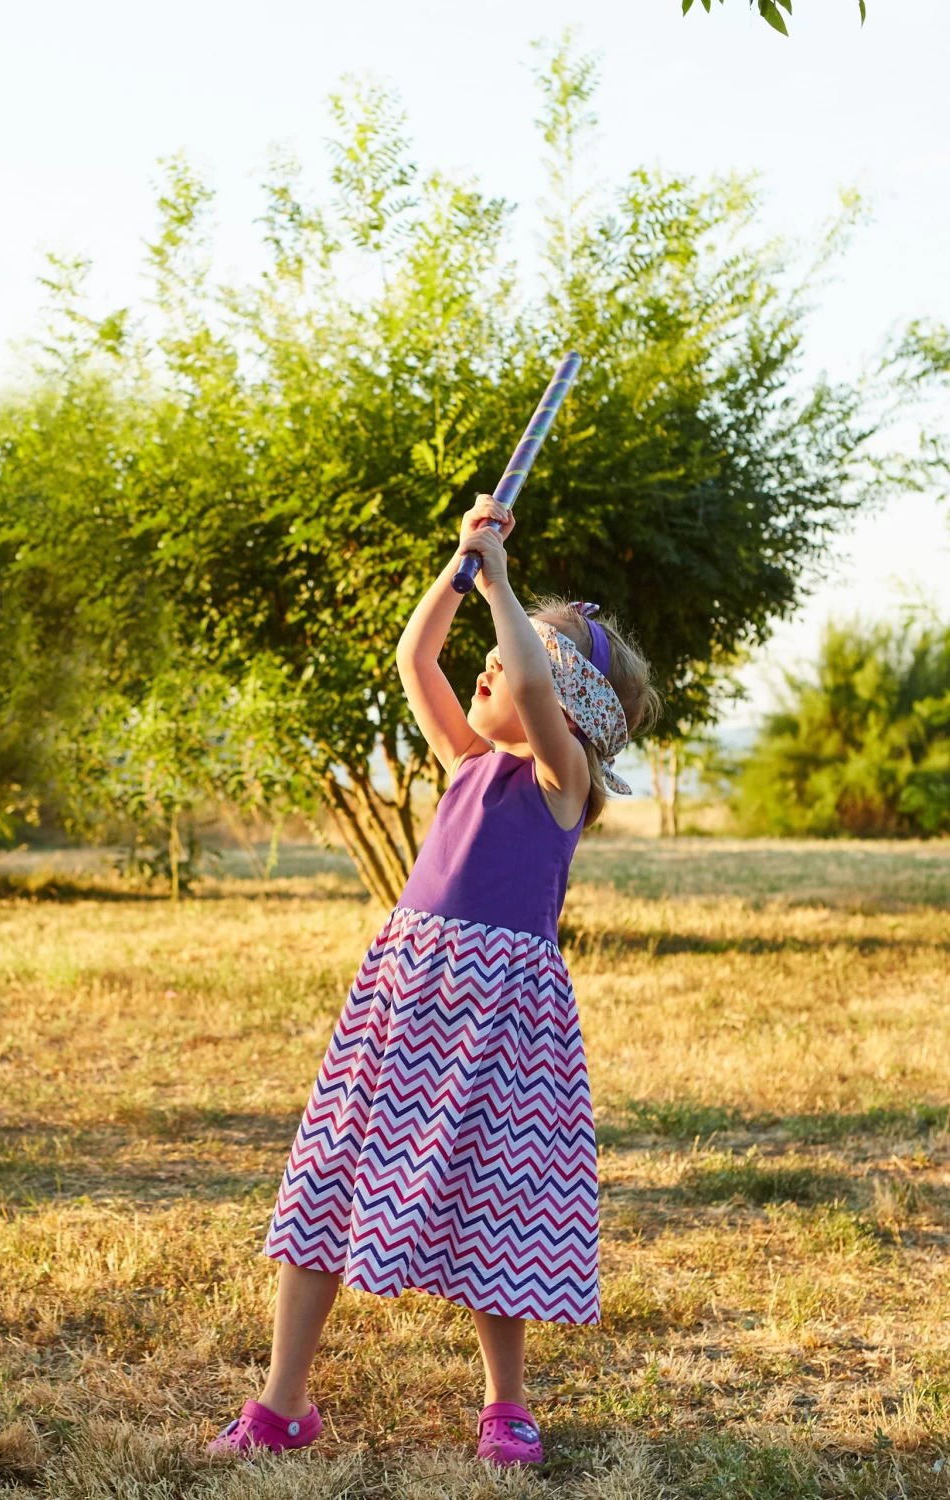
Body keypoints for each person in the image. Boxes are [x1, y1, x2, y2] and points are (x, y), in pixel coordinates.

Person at [210, 493, 660, 1467]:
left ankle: (506, 1406)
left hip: (503, 1023)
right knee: (327, 1179)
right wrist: (461, 571)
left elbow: (537, 694)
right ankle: (282, 1404)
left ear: (569, 709)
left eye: (514, 657)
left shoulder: (560, 783)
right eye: (498, 650)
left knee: (498, 1203)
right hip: (407, 1003)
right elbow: (417, 658)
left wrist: (503, 588)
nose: (492, 664)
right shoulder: (463, 763)